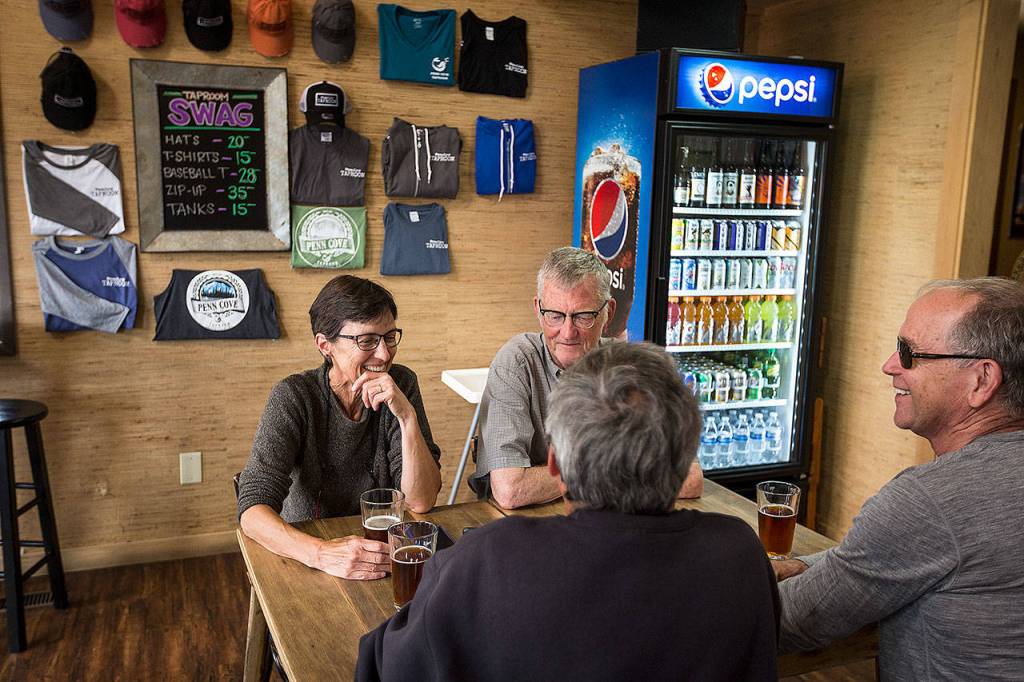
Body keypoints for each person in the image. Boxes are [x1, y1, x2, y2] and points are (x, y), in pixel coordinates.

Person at [356, 342, 780, 681]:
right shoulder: (740, 552)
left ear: (555, 463)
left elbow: (382, 665)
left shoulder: (490, 558)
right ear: (684, 456)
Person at [775, 277, 1024, 679]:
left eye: (909, 353)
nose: (890, 365)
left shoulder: (930, 502)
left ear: (981, 380)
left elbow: (791, 620)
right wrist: (805, 565)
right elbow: (890, 559)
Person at [237, 275, 441, 580]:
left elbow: (421, 500)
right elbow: (252, 512)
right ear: (325, 345)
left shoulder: (402, 384)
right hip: (309, 559)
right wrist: (320, 553)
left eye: (389, 337)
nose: (384, 354)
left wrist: (407, 418)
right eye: (367, 341)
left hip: (383, 558)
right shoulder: (294, 396)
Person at [469, 246, 703, 508]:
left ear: (608, 313)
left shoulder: (631, 367)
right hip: (530, 525)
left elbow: (691, 478)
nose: (568, 332)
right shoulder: (516, 363)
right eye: (555, 316)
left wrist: (578, 475)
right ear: (538, 310)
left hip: (609, 525)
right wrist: (624, 470)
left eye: (583, 316)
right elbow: (511, 490)